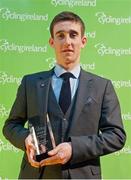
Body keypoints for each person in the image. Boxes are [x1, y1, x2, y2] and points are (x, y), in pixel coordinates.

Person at [3, 11, 126, 179]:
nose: (67, 41)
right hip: (36, 175)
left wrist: (74, 148)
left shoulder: (102, 86)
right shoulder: (30, 83)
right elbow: (10, 126)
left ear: (83, 41)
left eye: (73, 35)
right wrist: (25, 139)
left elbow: (116, 136)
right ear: (52, 42)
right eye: (60, 35)